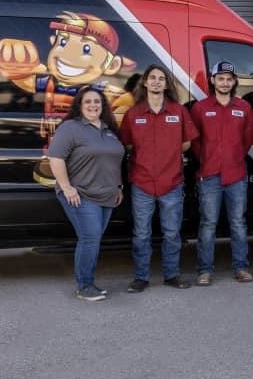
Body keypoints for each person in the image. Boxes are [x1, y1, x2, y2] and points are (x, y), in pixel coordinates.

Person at [120, 64, 197, 292]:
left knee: (172, 233)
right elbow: (129, 144)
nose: (156, 82)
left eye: (161, 79)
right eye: (152, 78)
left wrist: (168, 155)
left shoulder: (179, 112)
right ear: (144, 82)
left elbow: (187, 143)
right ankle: (141, 277)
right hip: (142, 183)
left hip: (171, 182)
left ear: (166, 84)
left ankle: (171, 275)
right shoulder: (133, 114)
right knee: (141, 234)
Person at [48, 86, 125, 302]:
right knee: (90, 238)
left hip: (107, 195)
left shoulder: (109, 129)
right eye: (88, 102)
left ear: (103, 106)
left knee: (93, 239)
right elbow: (56, 158)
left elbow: (114, 161)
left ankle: (88, 282)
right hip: (80, 194)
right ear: (80, 106)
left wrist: (118, 186)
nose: (93, 105)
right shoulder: (71, 128)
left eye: (97, 102)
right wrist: (66, 187)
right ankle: (84, 286)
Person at [190, 61, 253, 286]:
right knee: (208, 224)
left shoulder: (244, 108)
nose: (225, 83)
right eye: (221, 78)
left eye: (229, 79)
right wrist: (208, 159)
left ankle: (240, 267)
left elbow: (247, 140)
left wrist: (234, 157)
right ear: (212, 80)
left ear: (234, 81)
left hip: (236, 174)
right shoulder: (200, 108)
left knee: (238, 223)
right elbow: (196, 142)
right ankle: (205, 270)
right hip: (209, 175)